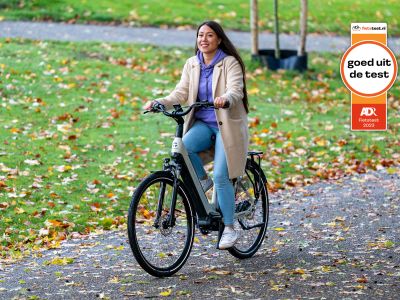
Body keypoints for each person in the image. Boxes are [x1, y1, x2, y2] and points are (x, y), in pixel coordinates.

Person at [144, 20, 249, 249]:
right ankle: (202, 179)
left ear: (219, 39)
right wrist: (160, 102)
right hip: (202, 123)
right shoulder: (192, 64)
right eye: (200, 35)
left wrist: (226, 99)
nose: (203, 39)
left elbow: (236, 90)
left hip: (226, 127)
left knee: (222, 176)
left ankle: (229, 228)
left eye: (209, 35)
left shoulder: (229, 63)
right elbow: (180, 93)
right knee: (182, 151)